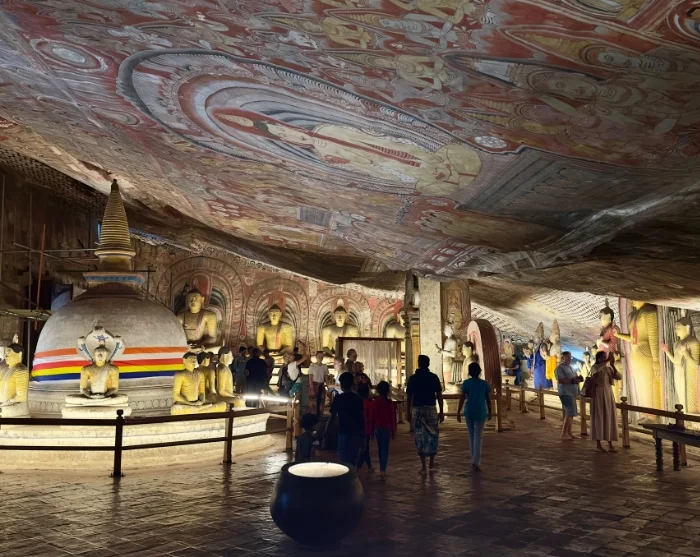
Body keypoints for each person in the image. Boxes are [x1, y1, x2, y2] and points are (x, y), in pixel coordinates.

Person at [406, 354, 444, 475]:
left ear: (418, 363)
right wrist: (441, 411)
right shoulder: (433, 377)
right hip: (431, 408)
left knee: (419, 436)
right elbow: (439, 395)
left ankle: (423, 466)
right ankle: (431, 462)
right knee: (433, 435)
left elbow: (409, 397)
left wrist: (408, 412)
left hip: (417, 409)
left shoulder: (413, 378)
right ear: (428, 364)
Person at [457, 363, 492, 472]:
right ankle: (476, 461)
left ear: (469, 372)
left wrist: (458, 411)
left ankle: (474, 459)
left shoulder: (466, 383)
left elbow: (462, 398)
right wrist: (490, 411)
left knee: (471, 435)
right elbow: (488, 399)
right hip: (480, 411)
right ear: (479, 371)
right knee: (478, 436)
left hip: (469, 411)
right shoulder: (484, 384)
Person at [324, 371, 364, 466]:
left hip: (343, 432)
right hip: (356, 433)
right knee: (353, 462)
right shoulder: (357, 398)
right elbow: (361, 418)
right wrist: (363, 436)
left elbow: (332, 417)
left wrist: (326, 432)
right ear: (352, 384)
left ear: (341, 385)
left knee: (343, 462)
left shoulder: (339, 398)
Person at [590, 351, 623, 453]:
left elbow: (619, 377)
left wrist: (612, 365)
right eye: (603, 357)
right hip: (598, 395)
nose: (605, 359)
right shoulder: (595, 367)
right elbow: (596, 370)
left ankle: (610, 444)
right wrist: (608, 360)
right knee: (599, 418)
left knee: (609, 418)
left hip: (608, 395)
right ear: (598, 358)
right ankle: (598, 444)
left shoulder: (608, 369)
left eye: (605, 357)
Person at [555, 351, 583, 441]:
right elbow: (560, 380)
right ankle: (564, 433)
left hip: (572, 393)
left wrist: (578, 379)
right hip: (566, 392)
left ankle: (569, 433)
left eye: (570, 357)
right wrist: (572, 381)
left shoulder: (571, 367)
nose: (570, 359)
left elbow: (574, 378)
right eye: (567, 357)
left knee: (571, 413)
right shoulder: (560, 368)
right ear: (563, 358)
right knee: (570, 413)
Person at [372, 380, 396, 480]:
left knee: (380, 448)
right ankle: (383, 470)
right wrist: (393, 431)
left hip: (377, 428)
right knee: (385, 449)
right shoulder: (389, 403)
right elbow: (392, 418)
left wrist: (372, 430)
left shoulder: (375, 402)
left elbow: (373, 416)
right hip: (386, 428)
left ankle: (381, 468)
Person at [356, 383, 374, 473]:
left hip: (360, 429)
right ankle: (365, 467)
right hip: (367, 429)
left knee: (364, 448)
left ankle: (360, 466)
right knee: (365, 448)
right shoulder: (369, 404)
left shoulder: (358, 403)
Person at [308, 351, 329, 416]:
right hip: (314, 385)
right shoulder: (312, 366)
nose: (320, 357)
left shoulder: (325, 367)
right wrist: (312, 389)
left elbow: (326, 379)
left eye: (322, 356)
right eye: (319, 356)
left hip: (321, 385)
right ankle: (313, 416)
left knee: (321, 402)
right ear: (316, 357)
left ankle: (319, 416)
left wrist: (328, 387)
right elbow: (310, 378)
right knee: (313, 403)